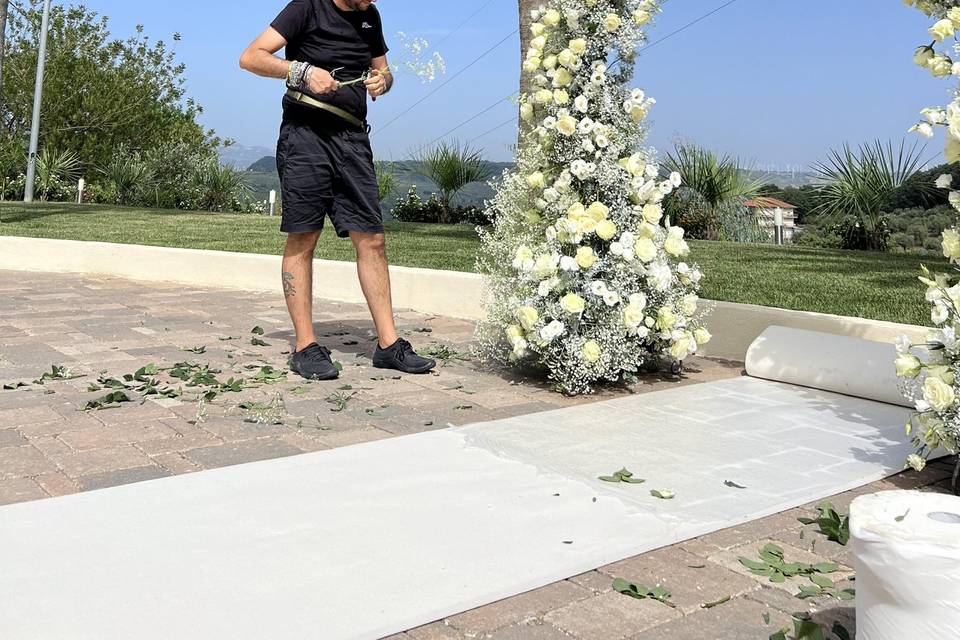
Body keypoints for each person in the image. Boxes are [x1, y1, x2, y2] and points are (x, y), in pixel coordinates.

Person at [239, 0, 436, 380]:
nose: (373, 0)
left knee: (372, 238)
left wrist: (384, 81)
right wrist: (301, 71)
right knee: (304, 236)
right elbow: (251, 57)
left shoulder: (370, 17)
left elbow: (384, 71)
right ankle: (305, 346)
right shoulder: (305, 8)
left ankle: (388, 345)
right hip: (305, 137)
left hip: (352, 138)